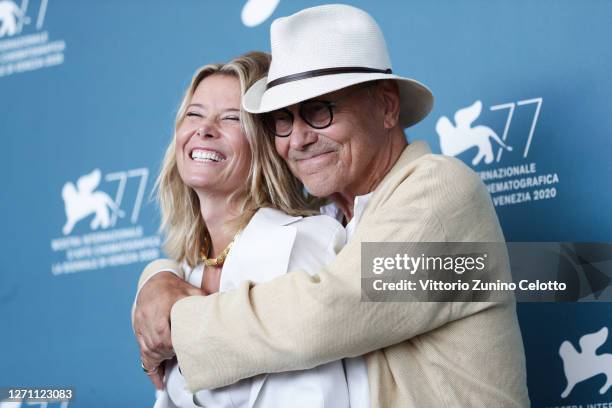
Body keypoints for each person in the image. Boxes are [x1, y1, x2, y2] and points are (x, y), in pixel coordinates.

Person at [134, 5, 530, 407]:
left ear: (387, 106)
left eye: (319, 111)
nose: (298, 138)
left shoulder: (439, 189)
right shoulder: (323, 218)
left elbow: (326, 313)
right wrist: (159, 277)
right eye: (282, 120)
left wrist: (175, 324)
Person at [140, 51, 354, 407]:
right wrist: (156, 276)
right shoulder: (186, 271)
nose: (204, 129)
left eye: (231, 119)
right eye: (194, 114)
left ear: (265, 146)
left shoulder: (303, 242)